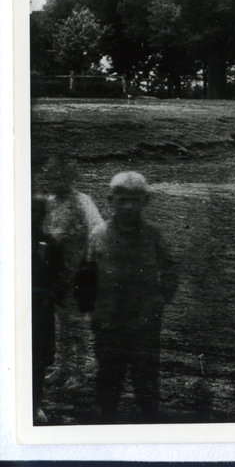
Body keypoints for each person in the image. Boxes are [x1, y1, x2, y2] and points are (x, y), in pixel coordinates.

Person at [74, 171, 178, 423]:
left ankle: (150, 423)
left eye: (135, 199)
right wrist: (90, 308)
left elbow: (169, 269)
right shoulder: (99, 234)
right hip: (109, 321)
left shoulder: (154, 235)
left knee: (146, 375)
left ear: (146, 201)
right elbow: (86, 273)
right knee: (109, 374)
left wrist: (161, 301)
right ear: (110, 200)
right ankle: (108, 420)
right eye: (121, 200)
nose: (128, 206)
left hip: (144, 321)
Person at [42, 155, 105, 390]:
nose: (53, 179)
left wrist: (90, 267)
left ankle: (82, 370)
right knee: (61, 323)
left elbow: (98, 232)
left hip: (79, 272)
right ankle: (63, 366)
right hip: (58, 274)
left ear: (70, 177)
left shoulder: (82, 202)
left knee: (78, 322)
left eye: (59, 175)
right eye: (49, 174)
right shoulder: (49, 203)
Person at [31, 194, 67, 423]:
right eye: (29, 210)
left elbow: (61, 276)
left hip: (39, 313)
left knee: (37, 360)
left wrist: (49, 296)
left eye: (38, 211)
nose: (33, 216)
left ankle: (35, 405)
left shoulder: (49, 243)